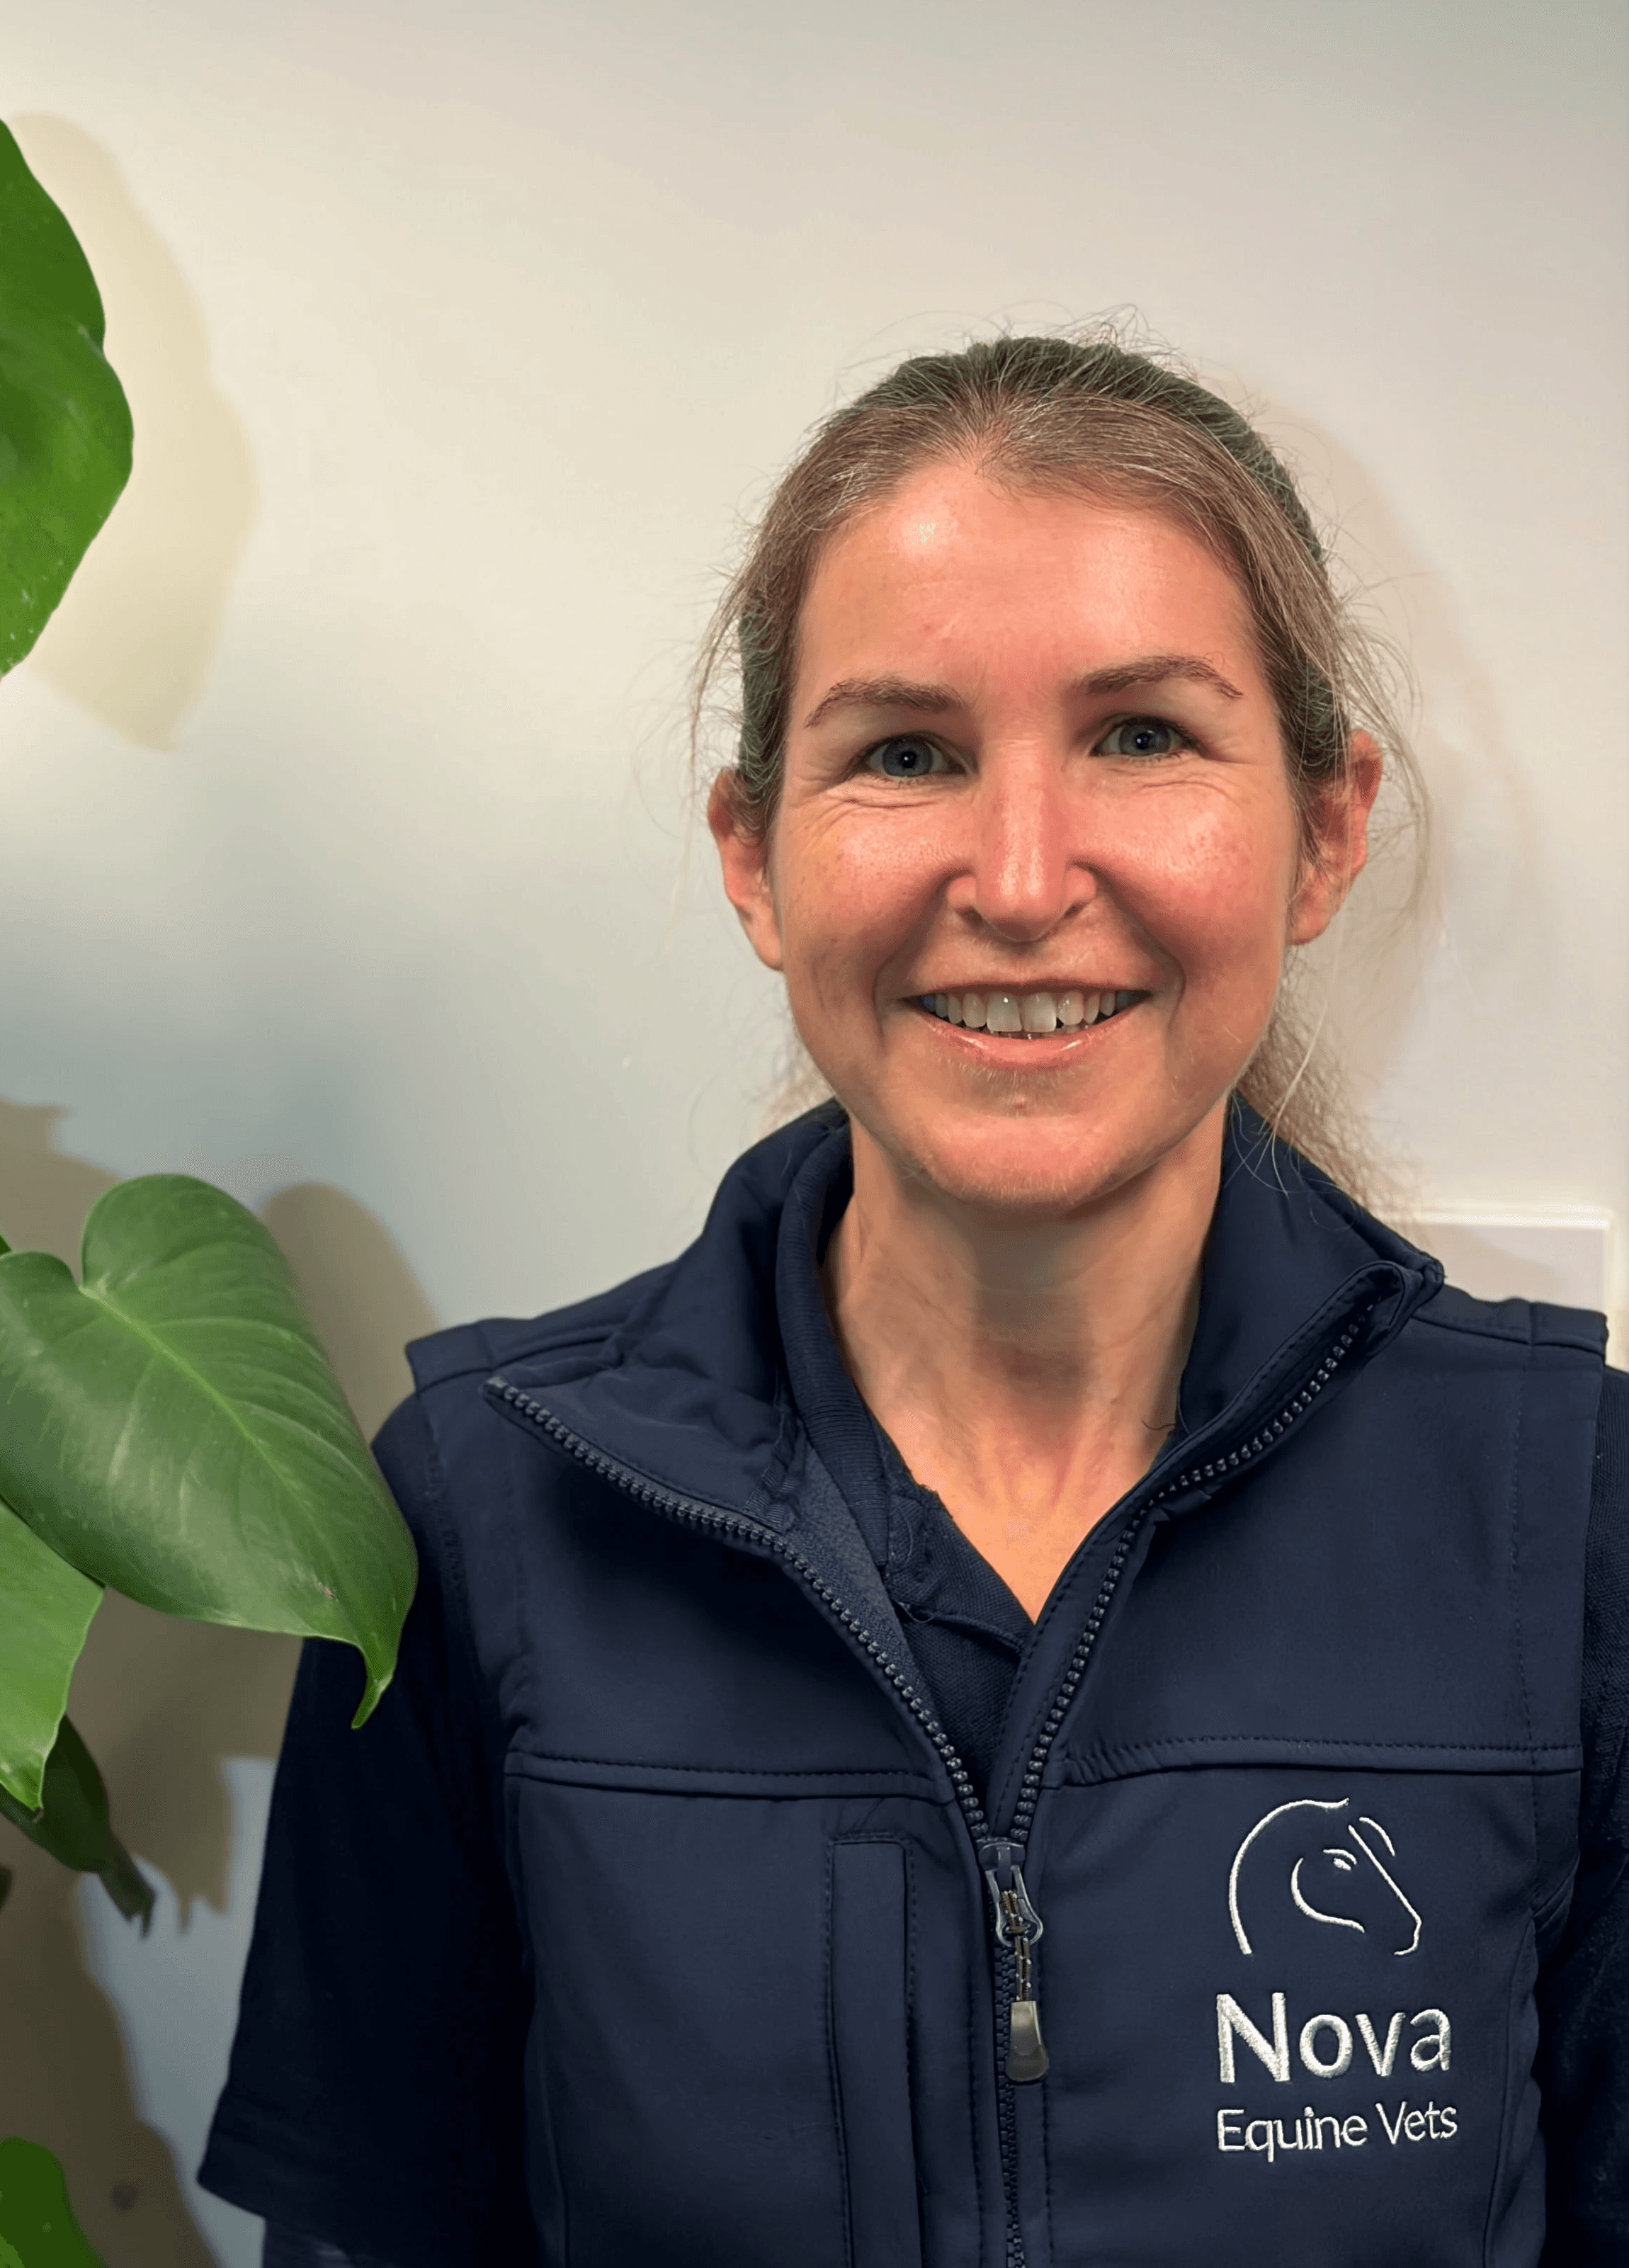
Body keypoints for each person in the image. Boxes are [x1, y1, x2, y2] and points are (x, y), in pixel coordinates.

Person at [200, 333, 1628, 2267]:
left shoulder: (1571, 1516)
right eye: (903, 754)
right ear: (753, 860)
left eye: (1139, 734)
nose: (1024, 877)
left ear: (1325, 825)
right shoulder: (483, 1512)